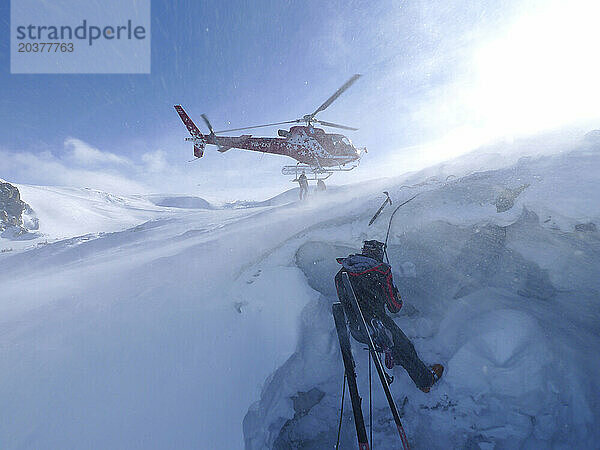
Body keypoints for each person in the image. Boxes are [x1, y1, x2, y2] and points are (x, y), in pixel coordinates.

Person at [334, 240, 443, 393]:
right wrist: (394, 290)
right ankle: (425, 381)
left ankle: (396, 357)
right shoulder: (381, 271)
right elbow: (395, 307)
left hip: (357, 329)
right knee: (406, 348)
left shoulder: (341, 274)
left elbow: (345, 302)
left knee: (392, 344)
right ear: (379, 254)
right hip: (378, 327)